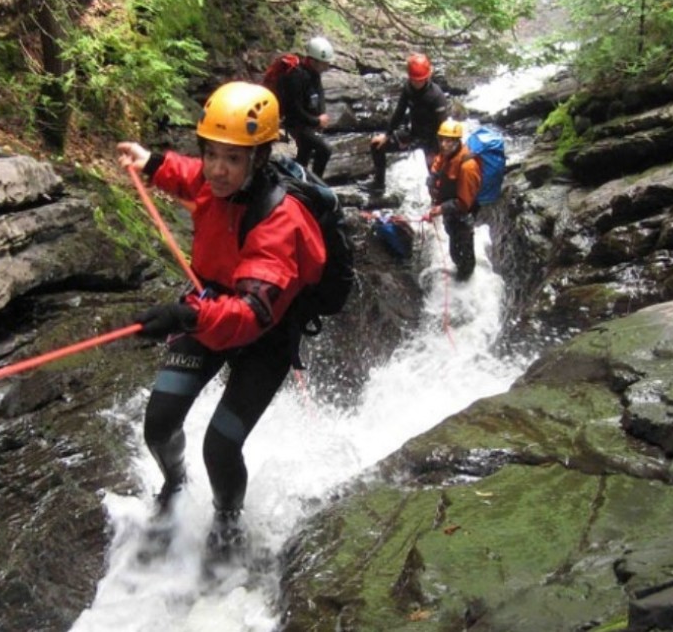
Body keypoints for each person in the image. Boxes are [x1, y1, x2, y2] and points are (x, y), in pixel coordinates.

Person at [117, 81, 326, 561]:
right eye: (212, 153)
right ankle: (173, 484)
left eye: (232, 159)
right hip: (208, 311)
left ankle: (227, 519)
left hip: (264, 339)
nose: (217, 168)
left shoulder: (280, 219)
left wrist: (185, 314)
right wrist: (151, 162)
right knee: (158, 426)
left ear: (258, 159)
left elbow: (252, 314)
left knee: (220, 446)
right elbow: (189, 176)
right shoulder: (213, 184)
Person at [364, 53, 450, 193]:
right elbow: (399, 112)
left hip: (432, 140)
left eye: (420, 80)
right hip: (413, 134)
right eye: (414, 80)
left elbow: (444, 127)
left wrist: (438, 152)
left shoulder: (436, 96)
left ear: (427, 77)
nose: (416, 84)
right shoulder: (408, 88)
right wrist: (388, 135)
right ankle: (379, 184)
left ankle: (437, 203)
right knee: (377, 144)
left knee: (434, 178)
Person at [427, 118, 482, 281]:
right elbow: (437, 165)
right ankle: (461, 272)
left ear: (457, 141)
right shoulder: (446, 154)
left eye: (449, 141)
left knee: (463, 253)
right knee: (453, 245)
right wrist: (433, 177)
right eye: (442, 140)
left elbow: (464, 203)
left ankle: (466, 279)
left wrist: (441, 209)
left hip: (463, 214)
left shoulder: (468, 166)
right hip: (450, 212)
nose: (444, 144)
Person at [278, 36, 334, 177]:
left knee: (304, 154)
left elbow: (320, 94)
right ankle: (316, 183)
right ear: (313, 61)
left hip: (308, 123)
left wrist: (322, 115)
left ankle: (300, 181)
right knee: (325, 149)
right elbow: (295, 110)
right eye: (324, 64)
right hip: (296, 124)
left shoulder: (315, 74)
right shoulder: (295, 77)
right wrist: (316, 121)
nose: (327, 67)